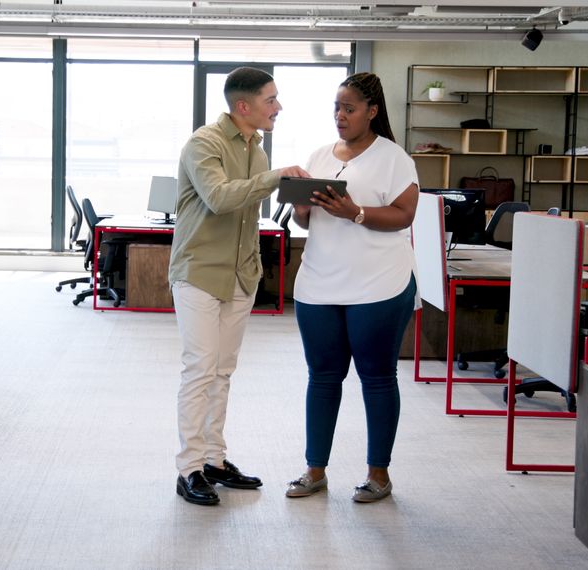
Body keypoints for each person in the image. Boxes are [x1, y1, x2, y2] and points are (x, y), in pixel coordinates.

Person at [170, 67, 309, 506]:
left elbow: (248, 218)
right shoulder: (203, 144)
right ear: (244, 106)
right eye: (271, 100)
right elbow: (221, 198)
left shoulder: (258, 150)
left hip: (239, 276)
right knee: (200, 369)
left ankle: (214, 460)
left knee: (223, 372)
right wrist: (276, 179)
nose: (278, 107)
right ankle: (189, 468)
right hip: (199, 272)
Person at [284, 72, 420, 503]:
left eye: (349, 108)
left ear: (372, 111)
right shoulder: (320, 155)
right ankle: (314, 470)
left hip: (378, 285)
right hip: (319, 284)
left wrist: (355, 212)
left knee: (377, 378)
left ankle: (378, 474)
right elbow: (304, 221)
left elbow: (404, 215)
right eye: (336, 109)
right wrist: (302, 207)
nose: (340, 117)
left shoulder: (393, 157)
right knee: (322, 378)